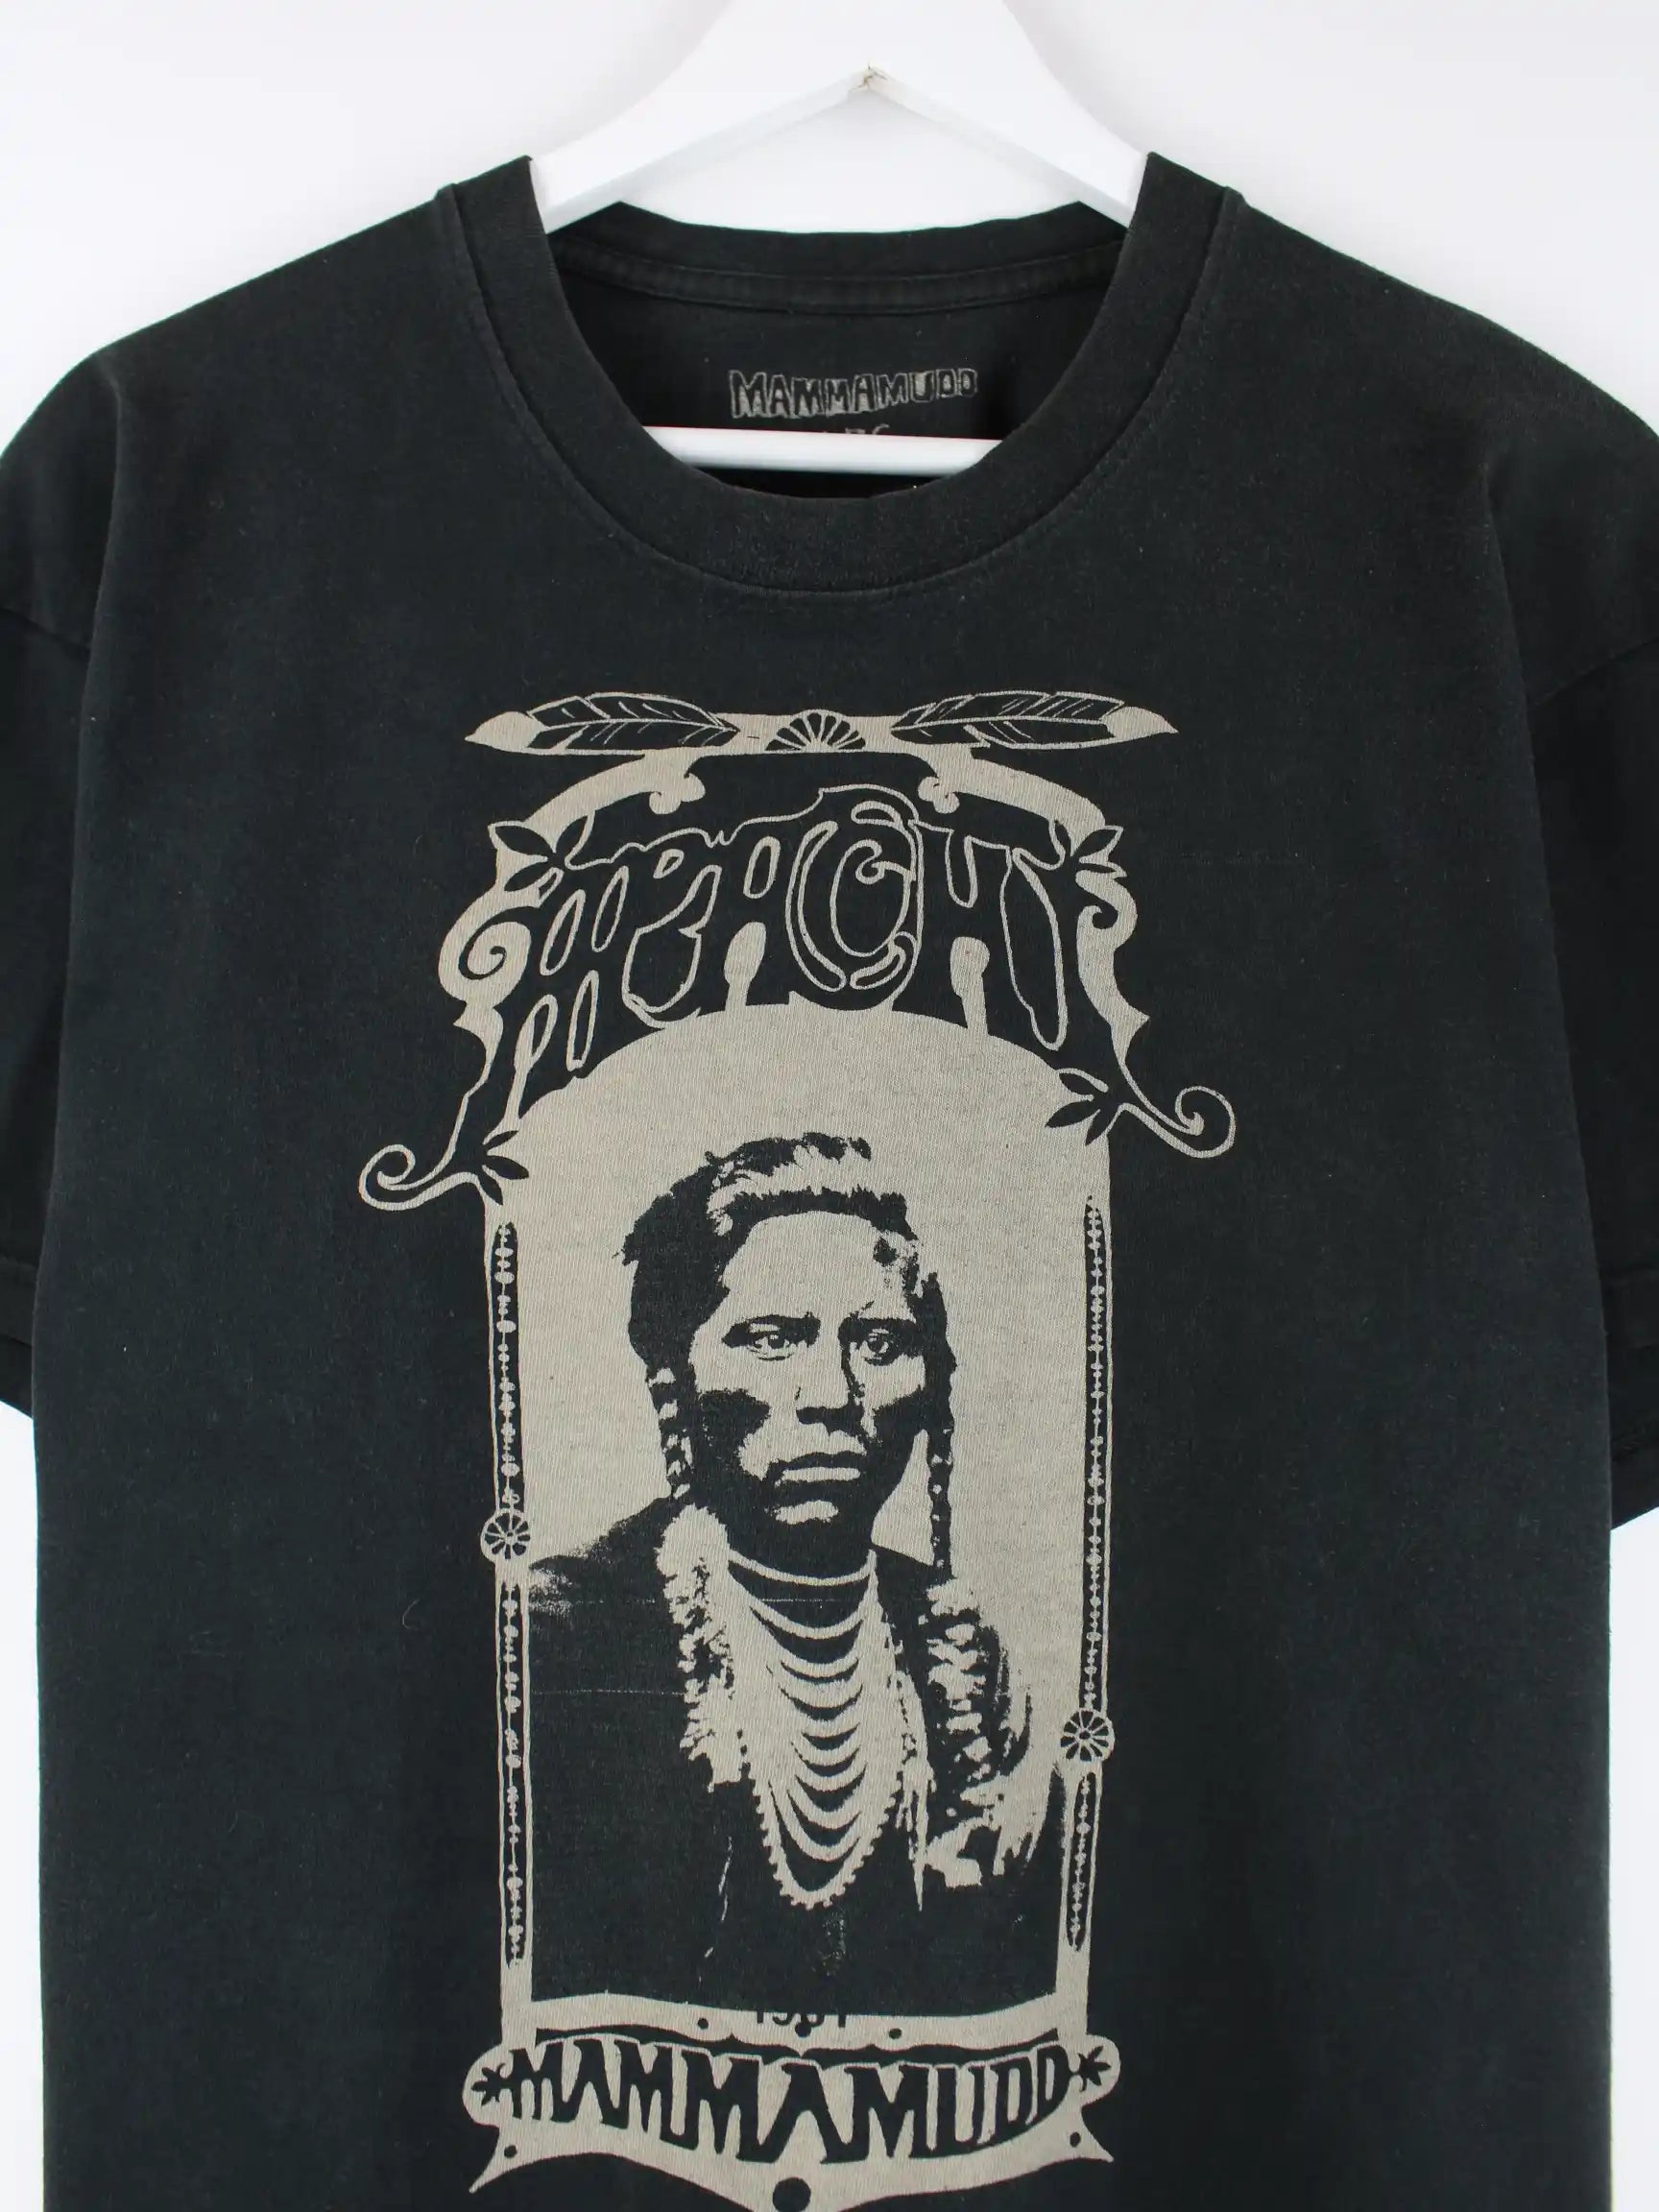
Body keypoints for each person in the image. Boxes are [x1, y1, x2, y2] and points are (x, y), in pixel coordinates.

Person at [525, 1132, 1063, 2015]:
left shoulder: (972, 1666)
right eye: (773, 1339)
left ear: (929, 1382)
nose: (832, 1394)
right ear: (675, 1378)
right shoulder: (557, 1641)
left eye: (880, 1342)